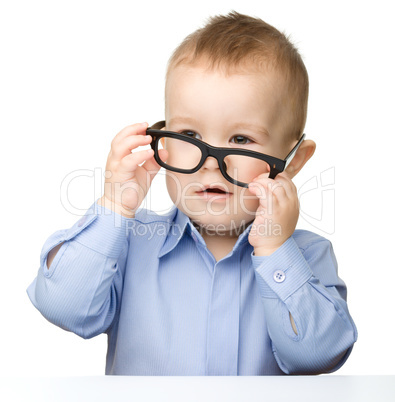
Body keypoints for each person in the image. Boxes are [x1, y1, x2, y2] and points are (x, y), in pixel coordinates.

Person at [27, 11, 357, 375]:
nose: (210, 163)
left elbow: (317, 356)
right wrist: (114, 206)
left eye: (241, 139)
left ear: (292, 161)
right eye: (191, 136)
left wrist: (275, 251)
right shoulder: (130, 243)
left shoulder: (305, 257)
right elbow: (63, 307)